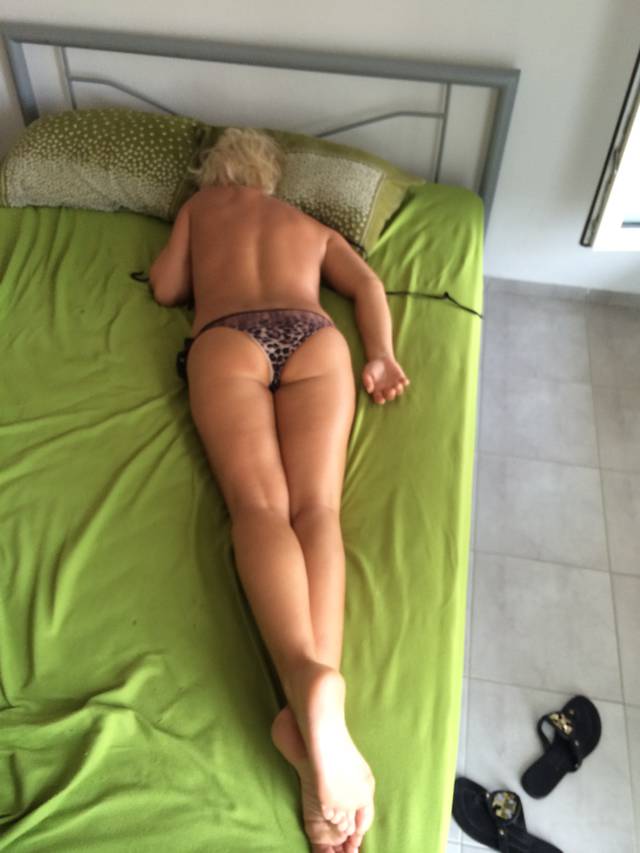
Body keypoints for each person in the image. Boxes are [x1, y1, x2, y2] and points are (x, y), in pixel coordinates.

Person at [149, 127, 410, 853]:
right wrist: (381, 356)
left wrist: (189, 249)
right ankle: (316, 714)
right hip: (314, 334)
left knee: (259, 508)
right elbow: (367, 285)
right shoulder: (307, 223)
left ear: (211, 172)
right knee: (316, 509)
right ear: (272, 177)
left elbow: (166, 287)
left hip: (229, 337)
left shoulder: (199, 210)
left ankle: (305, 685)